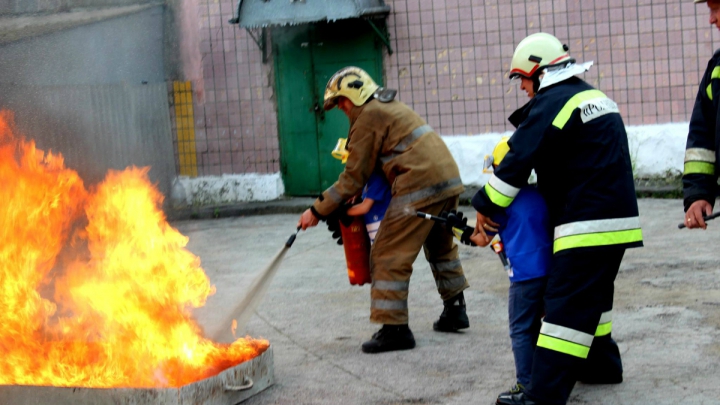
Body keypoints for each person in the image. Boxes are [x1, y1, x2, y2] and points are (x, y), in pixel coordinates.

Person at [470, 33, 643, 405]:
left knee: (563, 306)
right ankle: (601, 366)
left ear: (539, 70)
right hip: (615, 222)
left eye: (523, 79)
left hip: (585, 225)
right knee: (593, 300)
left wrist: (484, 204)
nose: (523, 89)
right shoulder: (590, 96)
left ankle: (542, 395)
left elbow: (518, 158)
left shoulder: (554, 101)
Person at [297, 66, 470, 354]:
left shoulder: (367, 115)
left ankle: (394, 329)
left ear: (354, 93)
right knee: (440, 247)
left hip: (419, 185)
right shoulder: (390, 107)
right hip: (447, 179)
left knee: (388, 253)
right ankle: (455, 310)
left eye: (340, 102)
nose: (340, 109)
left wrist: (317, 210)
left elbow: (353, 178)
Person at [484, 136, 552, 397]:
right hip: (548, 270)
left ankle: (526, 384)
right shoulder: (538, 194)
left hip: (524, 276)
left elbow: (482, 237)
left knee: (521, 329)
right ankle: (543, 377)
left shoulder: (502, 202)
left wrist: (456, 230)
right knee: (538, 325)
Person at [683, 0, 720, 230]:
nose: (711, 18)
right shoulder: (717, 68)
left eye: (716, 8)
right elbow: (702, 137)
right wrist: (698, 194)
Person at [346, 170, 392, 245]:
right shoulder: (369, 179)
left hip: (385, 234)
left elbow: (365, 207)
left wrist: (343, 212)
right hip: (378, 235)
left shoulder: (377, 177)